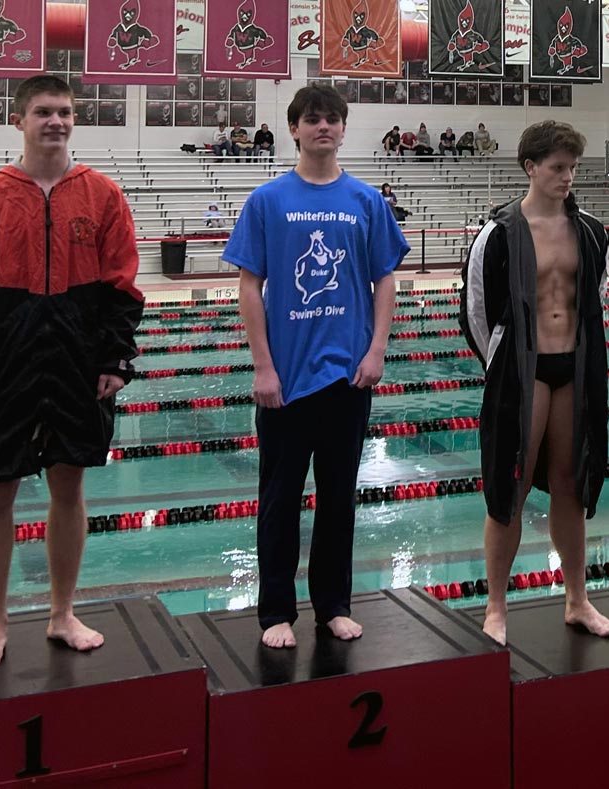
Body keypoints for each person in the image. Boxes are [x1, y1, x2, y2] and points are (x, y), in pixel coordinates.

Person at [0, 74, 144, 668]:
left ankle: (61, 613)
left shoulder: (102, 195)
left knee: (69, 486)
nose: (56, 121)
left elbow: (122, 289)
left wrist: (114, 360)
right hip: (4, 362)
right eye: (44, 112)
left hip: (78, 360)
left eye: (65, 112)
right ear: (18, 120)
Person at [222, 84, 408, 649]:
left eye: (332, 119)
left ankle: (333, 604)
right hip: (286, 380)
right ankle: (276, 610)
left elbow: (385, 282)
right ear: (295, 129)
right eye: (312, 119)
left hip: (348, 377)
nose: (322, 127)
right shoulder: (268, 201)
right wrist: (263, 367)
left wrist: (376, 350)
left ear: (343, 130)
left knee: (338, 499)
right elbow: (249, 286)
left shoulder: (366, 201)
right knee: (278, 501)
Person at [460, 120, 609, 646]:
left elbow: (593, 295)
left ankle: (578, 600)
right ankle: (497, 607)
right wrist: (502, 366)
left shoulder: (591, 230)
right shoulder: (499, 232)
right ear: (531, 168)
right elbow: (476, 311)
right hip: (522, 374)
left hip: (572, 369)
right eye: (557, 167)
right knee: (512, 485)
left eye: (572, 167)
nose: (567, 176)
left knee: (571, 484)